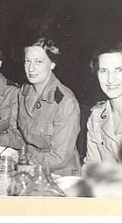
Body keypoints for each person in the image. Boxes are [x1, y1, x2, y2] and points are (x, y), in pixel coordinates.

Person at [17, 37, 81, 176]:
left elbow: (60, 158)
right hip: (31, 167)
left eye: (38, 62)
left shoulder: (65, 102)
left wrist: (23, 159)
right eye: (27, 61)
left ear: (52, 64)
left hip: (59, 174)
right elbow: (20, 136)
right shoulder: (24, 93)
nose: (31, 68)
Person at [83, 43, 122, 170]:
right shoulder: (96, 116)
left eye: (119, 70)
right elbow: (91, 168)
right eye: (104, 71)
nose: (110, 80)